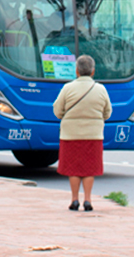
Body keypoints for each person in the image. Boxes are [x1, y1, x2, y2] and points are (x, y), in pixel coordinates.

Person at [53, 55, 112, 212]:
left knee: (73, 168)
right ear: (93, 71)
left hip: (70, 135)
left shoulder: (68, 88)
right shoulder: (100, 89)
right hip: (93, 135)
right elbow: (107, 113)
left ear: (77, 71)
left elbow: (58, 111)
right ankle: (87, 199)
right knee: (89, 168)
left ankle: (74, 199)